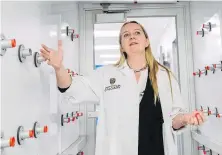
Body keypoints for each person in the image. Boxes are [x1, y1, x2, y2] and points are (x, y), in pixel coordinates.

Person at [40, 21, 206, 155]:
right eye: (126, 35)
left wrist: (184, 119)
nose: (132, 37)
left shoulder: (165, 76)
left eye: (137, 33)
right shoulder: (106, 75)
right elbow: (71, 88)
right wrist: (58, 68)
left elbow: (174, 119)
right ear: (122, 46)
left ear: (146, 41)